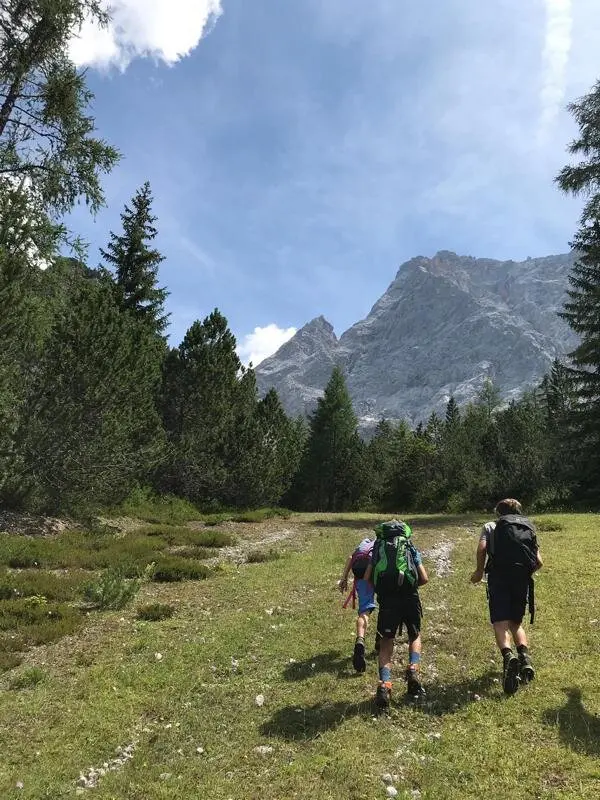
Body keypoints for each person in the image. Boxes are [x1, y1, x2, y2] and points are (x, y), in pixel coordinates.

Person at [470, 498, 543, 695]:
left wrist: (478, 572)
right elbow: (539, 562)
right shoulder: (528, 526)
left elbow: (482, 548)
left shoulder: (491, 526)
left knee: (500, 623)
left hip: (498, 576)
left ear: (498, 512)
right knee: (516, 623)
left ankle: (508, 656)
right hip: (521, 579)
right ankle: (525, 658)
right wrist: (523, 573)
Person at [363, 520, 429, 709]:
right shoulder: (409, 546)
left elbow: (367, 578)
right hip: (410, 597)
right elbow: (424, 578)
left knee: (386, 642)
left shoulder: (378, 548)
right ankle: (413, 669)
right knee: (414, 635)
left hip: (387, 601)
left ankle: (385, 685)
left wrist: (383, 590)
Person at [338, 536, 377, 673]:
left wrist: (344, 578)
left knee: (364, 611)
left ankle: (360, 639)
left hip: (361, 576)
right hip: (377, 575)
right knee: (385, 607)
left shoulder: (363, 544)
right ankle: (380, 639)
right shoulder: (383, 544)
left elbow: (350, 557)